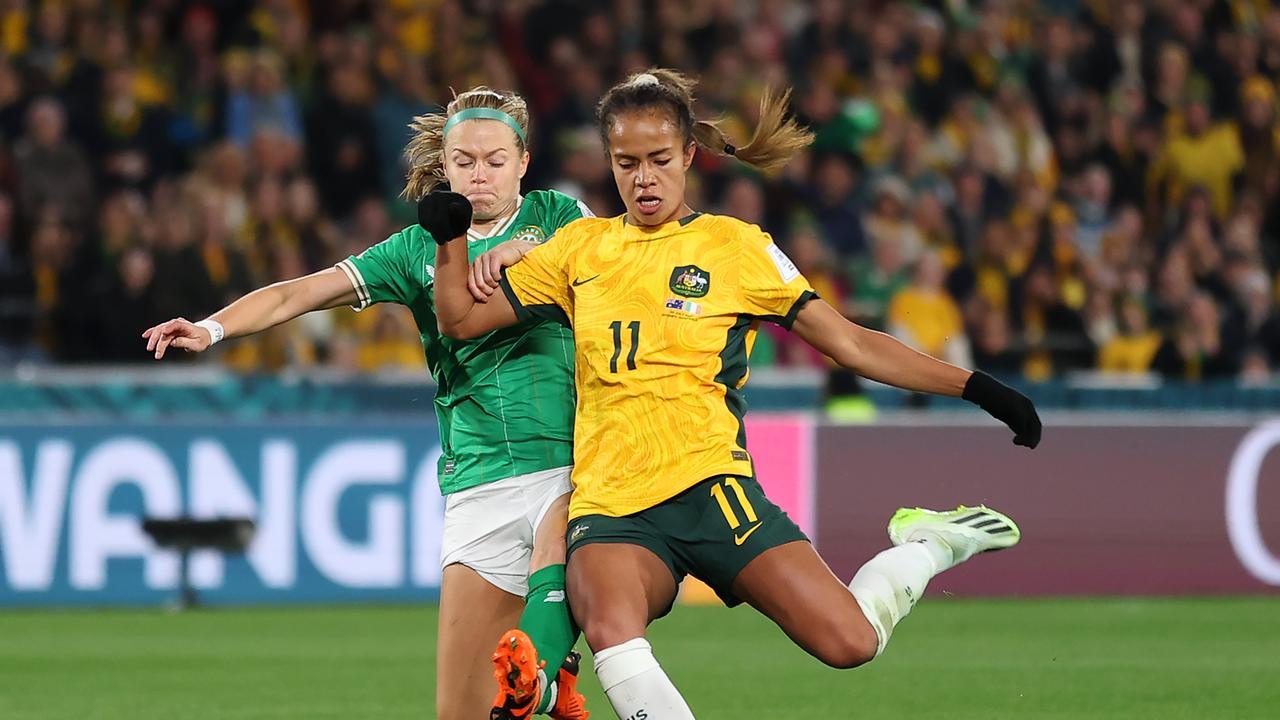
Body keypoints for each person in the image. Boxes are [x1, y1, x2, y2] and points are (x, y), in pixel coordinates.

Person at [427, 69, 1042, 719]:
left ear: (689, 155)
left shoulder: (736, 247)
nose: (643, 179)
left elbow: (852, 344)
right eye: (626, 162)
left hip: (713, 489)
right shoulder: (579, 248)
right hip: (612, 508)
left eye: (660, 160)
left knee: (850, 642)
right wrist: (449, 246)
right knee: (610, 626)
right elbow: (461, 321)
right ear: (608, 163)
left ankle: (928, 543)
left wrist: (977, 387)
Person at [141, 87, 590, 720]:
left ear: (523, 160)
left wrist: (527, 253)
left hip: (568, 464)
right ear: (445, 165)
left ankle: (555, 680)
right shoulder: (415, 251)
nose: (479, 174)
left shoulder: (564, 219)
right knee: (458, 712)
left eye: (495, 160)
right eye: (464, 161)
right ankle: (553, 685)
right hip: (478, 484)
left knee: (584, 625)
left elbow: (626, 271)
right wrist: (211, 328)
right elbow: (300, 293)